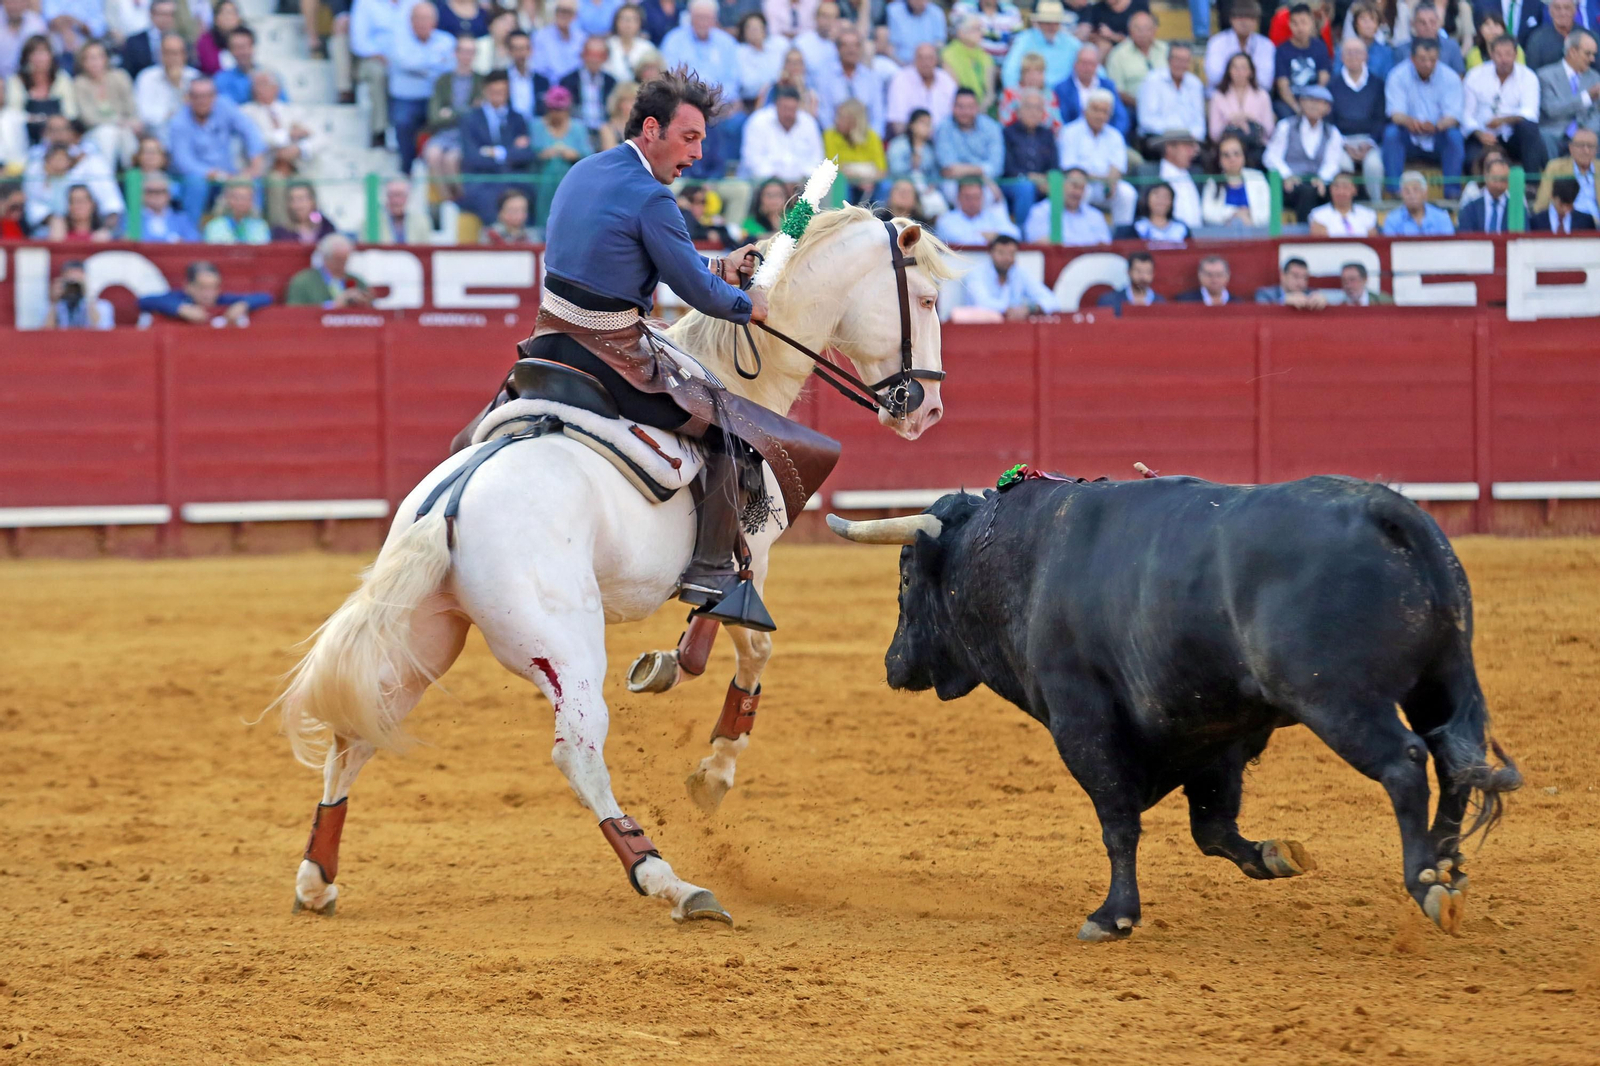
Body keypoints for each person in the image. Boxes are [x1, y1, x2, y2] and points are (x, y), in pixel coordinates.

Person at [465, 67, 826, 630]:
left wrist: (719, 267)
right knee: (732, 427)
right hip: (610, 357)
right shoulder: (653, 198)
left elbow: (638, 256)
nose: (699, 154)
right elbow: (700, 294)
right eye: (690, 138)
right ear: (653, 129)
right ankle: (711, 572)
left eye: (703, 140)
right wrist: (748, 304)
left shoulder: (585, 171)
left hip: (546, 344)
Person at [168, 76, 265, 226]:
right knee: (196, 183)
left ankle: (255, 231)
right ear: (189, 98)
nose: (202, 101)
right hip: (198, 177)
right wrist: (214, 174)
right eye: (197, 96)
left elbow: (250, 130)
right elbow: (183, 162)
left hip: (227, 174)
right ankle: (191, 234)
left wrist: (256, 160)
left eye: (207, 96)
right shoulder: (179, 122)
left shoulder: (224, 106)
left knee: (251, 181)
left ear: (214, 96)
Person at [1383, 37, 1466, 195]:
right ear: (1412, 59)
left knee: (1455, 137)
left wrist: (1436, 126)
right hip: (1409, 136)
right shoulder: (1397, 75)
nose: (1428, 64)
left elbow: (1454, 116)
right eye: (1422, 59)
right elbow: (1395, 113)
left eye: (1432, 60)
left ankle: (1452, 193)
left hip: (1438, 136)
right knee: (1391, 134)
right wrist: (1411, 122)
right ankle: (1394, 192)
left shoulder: (1450, 77)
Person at [459, 68, 535, 223]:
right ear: (486, 91)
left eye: (502, 91)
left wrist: (497, 152)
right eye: (494, 91)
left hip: (513, 177)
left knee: (531, 191)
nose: (498, 95)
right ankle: (497, 239)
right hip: (483, 178)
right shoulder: (471, 119)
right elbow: (472, 157)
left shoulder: (517, 118)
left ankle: (526, 239)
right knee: (487, 196)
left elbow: (526, 154)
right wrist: (510, 152)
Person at [1464, 31, 1545, 173]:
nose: (1504, 59)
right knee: (1470, 159)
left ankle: (1532, 185)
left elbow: (1530, 112)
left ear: (1516, 54)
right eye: (1499, 54)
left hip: (1512, 136)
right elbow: (1466, 114)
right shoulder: (1475, 76)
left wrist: (1503, 120)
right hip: (1482, 135)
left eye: (1508, 54)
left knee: (1529, 129)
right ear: (1491, 54)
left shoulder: (1528, 76)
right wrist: (1479, 134)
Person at [1262, 83, 1344, 218]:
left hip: (1318, 183)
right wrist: (1287, 175)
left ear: (1327, 108)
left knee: (1337, 190)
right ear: (1301, 103)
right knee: (1306, 192)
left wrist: (1322, 179)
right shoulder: (1286, 126)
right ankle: (1305, 235)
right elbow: (1270, 156)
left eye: (1318, 102)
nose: (1313, 105)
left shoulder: (1332, 133)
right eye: (1309, 100)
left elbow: (1333, 162)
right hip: (1289, 184)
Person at [388, 2, 453, 173]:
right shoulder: (398, 39)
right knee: (402, 122)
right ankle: (407, 168)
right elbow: (406, 62)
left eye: (427, 18)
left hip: (437, 97)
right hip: (407, 98)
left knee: (453, 119)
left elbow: (450, 68)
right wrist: (434, 64)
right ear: (410, 21)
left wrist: (418, 66)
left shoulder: (446, 40)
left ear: (435, 21)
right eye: (418, 18)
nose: (422, 22)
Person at [1058, 89, 1137, 224]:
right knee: (1082, 190)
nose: (1099, 115)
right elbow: (1070, 169)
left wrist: (1111, 182)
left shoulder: (1115, 135)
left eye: (1104, 111)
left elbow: (1117, 166)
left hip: (1106, 186)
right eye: (1095, 110)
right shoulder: (1069, 132)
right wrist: (1104, 179)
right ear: (1085, 110)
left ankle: (1120, 235)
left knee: (1127, 193)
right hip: (1080, 184)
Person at [350, 0, 417, 148]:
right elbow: (358, 42)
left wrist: (406, 58)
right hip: (373, 59)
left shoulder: (415, 2)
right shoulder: (365, 3)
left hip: (408, 59)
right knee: (378, 73)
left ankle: (413, 134)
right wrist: (379, 55)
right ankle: (379, 131)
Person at [423, 33, 483, 199]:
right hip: (443, 133)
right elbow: (434, 116)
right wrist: (465, 111)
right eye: (463, 51)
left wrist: (451, 112)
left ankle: (462, 200)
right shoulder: (443, 81)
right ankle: (446, 201)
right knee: (433, 155)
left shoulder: (480, 80)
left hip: (466, 136)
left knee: (451, 160)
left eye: (471, 52)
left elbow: (477, 117)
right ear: (456, 53)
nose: (467, 56)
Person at [1331, 35, 1387, 199]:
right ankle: (1346, 207)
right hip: (1341, 142)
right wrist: (1343, 143)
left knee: (1374, 166)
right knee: (1343, 165)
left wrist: (1369, 143)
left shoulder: (1378, 84)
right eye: (1348, 53)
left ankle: (1376, 206)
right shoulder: (1333, 85)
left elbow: (1381, 119)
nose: (1353, 57)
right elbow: (1329, 121)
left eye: (1357, 52)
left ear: (1365, 56)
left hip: (1369, 141)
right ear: (1341, 57)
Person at [138, 260, 273, 324]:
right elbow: (143, 301)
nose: (208, 294)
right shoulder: (180, 298)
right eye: (202, 287)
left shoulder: (222, 299)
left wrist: (243, 304)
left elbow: (266, 297)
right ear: (188, 286)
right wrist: (180, 309)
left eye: (213, 288)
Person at [73, 40, 139, 168]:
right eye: (91, 58)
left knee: (127, 135)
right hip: (94, 133)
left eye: (99, 56)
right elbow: (88, 118)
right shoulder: (79, 83)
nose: (95, 62)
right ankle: (107, 180)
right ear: (83, 62)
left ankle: (133, 179)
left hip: (123, 128)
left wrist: (129, 122)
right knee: (107, 133)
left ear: (106, 59)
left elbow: (131, 108)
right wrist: (116, 121)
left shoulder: (120, 77)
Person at [1536, 27, 1599, 161]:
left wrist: (1586, 131)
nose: (1592, 59)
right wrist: (1587, 97)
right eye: (1588, 54)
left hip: (1588, 131)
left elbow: (1597, 113)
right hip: (1556, 131)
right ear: (1572, 52)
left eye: (1594, 54)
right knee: (1544, 136)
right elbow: (1552, 109)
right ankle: (1552, 180)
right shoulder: (1546, 75)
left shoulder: (1595, 78)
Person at [960, 234, 1058, 318]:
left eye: (1011, 253)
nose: (1007, 258)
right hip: (979, 330)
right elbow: (982, 304)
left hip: (1012, 330)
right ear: (990, 253)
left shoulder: (1019, 273)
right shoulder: (976, 274)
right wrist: (1014, 309)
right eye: (1001, 253)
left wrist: (1029, 308)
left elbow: (1053, 301)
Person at [933, 87, 1004, 202]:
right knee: (951, 190)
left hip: (986, 182)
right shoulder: (944, 128)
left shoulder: (991, 127)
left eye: (970, 107)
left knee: (993, 197)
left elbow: (996, 166)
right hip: (954, 182)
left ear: (977, 107)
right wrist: (981, 170)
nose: (965, 112)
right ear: (953, 107)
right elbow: (948, 168)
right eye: (960, 107)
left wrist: (965, 170)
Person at [740, 82, 824, 179]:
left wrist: (800, 178)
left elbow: (817, 159)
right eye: (785, 108)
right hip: (763, 182)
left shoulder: (809, 123)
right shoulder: (758, 121)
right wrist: (778, 182)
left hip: (801, 184)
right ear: (776, 105)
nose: (788, 114)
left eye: (792, 109)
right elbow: (752, 161)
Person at [661, 0, 741, 96]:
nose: (703, 22)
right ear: (690, 17)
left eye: (707, 18)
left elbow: (734, 79)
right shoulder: (673, 40)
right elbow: (669, 74)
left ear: (715, 19)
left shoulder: (727, 42)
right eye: (698, 17)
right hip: (684, 99)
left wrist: (718, 98)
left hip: (722, 102)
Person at [9, 34, 76, 147]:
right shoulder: (16, 80)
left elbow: (71, 112)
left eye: (43, 52)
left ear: (51, 55)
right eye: (34, 53)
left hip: (58, 133)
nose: (39, 58)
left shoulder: (62, 79)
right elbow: (13, 113)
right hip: (27, 135)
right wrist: (38, 119)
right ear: (26, 57)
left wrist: (54, 123)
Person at [1003, 89, 1059, 223]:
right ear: (1019, 111)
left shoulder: (1047, 134)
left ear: (1043, 113)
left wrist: (1048, 180)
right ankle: (1023, 235)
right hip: (1013, 183)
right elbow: (1007, 167)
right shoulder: (1007, 133)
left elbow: (1054, 165)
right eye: (1028, 107)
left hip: (1042, 183)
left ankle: (1060, 237)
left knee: (1060, 185)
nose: (1033, 112)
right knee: (1026, 187)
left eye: (1038, 108)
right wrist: (1031, 178)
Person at [1136, 40, 1205, 148]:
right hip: (1158, 137)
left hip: (1188, 140)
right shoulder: (1152, 80)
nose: (1181, 64)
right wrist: (1177, 135)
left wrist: (1192, 138)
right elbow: (1146, 120)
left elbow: (1199, 122)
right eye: (1177, 59)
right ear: (1168, 60)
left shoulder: (1195, 84)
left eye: (1185, 60)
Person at [816, 27, 884, 134]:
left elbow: (878, 116)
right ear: (838, 49)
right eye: (845, 45)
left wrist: (872, 139)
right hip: (836, 139)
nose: (851, 50)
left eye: (855, 45)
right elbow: (825, 115)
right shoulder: (825, 77)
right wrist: (835, 138)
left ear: (860, 49)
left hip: (866, 138)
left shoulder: (872, 78)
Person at [1000, 0, 1080, 90]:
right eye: (1048, 23)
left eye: (1056, 23)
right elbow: (1010, 72)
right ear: (1039, 23)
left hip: (1064, 97)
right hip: (1032, 95)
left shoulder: (1071, 43)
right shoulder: (1024, 40)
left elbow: (1093, 68)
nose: (1052, 27)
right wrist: (1016, 95)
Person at [1208, 51, 1274, 158]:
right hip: (1227, 149)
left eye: (1243, 68)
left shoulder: (1262, 95)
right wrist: (1232, 121)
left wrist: (1249, 119)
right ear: (1229, 71)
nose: (1239, 72)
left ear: (1251, 72)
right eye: (1235, 68)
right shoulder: (1218, 96)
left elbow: (1269, 130)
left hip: (1256, 147)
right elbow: (1214, 133)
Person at [133, 32, 196, 143]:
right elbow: (144, 114)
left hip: (190, 134)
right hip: (156, 135)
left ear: (184, 55)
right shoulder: (146, 77)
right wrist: (169, 115)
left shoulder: (195, 78)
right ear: (160, 55)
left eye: (176, 53)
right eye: (167, 53)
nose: (172, 58)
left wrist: (177, 86)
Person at [1056, 42, 1130, 134]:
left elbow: (1121, 117)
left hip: (1106, 137)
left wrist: (1111, 136)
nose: (1087, 68)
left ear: (1097, 66)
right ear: (1075, 64)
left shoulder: (1108, 86)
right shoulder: (1062, 89)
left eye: (1091, 64)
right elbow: (1062, 118)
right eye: (1083, 63)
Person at [1023, 164, 1112, 242]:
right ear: (1061, 184)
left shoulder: (1095, 216)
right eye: (1074, 186)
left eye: (1082, 188)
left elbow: (1104, 245)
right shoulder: (1040, 211)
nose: (1077, 193)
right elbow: (1036, 241)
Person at [1273, 3, 1331, 119]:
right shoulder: (1282, 50)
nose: (1299, 28)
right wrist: (1298, 108)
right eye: (1295, 23)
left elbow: (1323, 79)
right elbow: (1283, 86)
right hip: (1291, 102)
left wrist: (1313, 105)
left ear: (1311, 23)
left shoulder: (1320, 47)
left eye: (1304, 22)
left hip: (1316, 99)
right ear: (1289, 24)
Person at [1201, 131, 1272, 228]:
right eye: (1226, 155)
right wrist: (1234, 213)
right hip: (1223, 238)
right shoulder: (1213, 181)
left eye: (1236, 154)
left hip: (1256, 235)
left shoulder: (1257, 177)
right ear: (1219, 160)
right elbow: (1207, 214)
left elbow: (1269, 212)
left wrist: (1249, 216)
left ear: (1243, 156)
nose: (1232, 159)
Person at [886, 41, 958, 134]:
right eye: (921, 58)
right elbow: (897, 121)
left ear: (936, 60)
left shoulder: (946, 79)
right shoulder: (901, 79)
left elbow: (956, 114)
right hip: (912, 138)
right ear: (914, 60)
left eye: (929, 58)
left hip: (944, 138)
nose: (926, 63)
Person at [286, 233, 374, 307]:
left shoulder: (357, 282)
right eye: (338, 260)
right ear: (325, 258)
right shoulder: (303, 282)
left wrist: (365, 300)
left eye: (345, 260)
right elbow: (294, 314)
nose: (342, 265)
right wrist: (333, 305)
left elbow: (372, 312)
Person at [1204, 0, 1274, 92]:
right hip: (1222, 94)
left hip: (1255, 97)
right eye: (1240, 17)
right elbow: (1214, 77)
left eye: (1249, 17)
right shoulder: (1217, 42)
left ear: (1257, 21)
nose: (1244, 22)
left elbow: (1266, 81)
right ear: (1231, 19)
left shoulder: (1266, 45)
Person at [826, 97, 887, 200]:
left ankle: (881, 214)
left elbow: (881, 170)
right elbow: (833, 167)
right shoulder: (830, 135)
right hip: (846, 181)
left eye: (841, 117)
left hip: (870, 182)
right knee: (839, 183)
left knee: (885, 186)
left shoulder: (872, 137)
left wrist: (867, 180)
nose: (836, 121)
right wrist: (858, 179)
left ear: (854, 120)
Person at [1105, 10, 1166, 112]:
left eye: (1147, 29)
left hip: (1165, 106)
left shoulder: (1165, 50)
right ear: (1130, 30)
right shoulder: (1118, 54)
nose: (1142, 33)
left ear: (1155, 30)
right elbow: (1116, 89)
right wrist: (1141, 104)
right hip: (1133, 107)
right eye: (1137, 29)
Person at [532, 84, 594, 184]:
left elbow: (589, 155)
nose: (557, 113)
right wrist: (542, 155)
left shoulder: (578, 127)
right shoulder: (536, 126)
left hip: (573, 181)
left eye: (561, 109)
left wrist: (575, 155)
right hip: (542, 180)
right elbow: (530, 152)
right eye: (553, 109)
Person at [935, 174, 1019, 242]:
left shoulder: (992, 216)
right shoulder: (946, 220)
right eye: (967, 197)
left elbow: (1015, 234)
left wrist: (996, 236)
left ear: (983, 197)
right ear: (958, 197)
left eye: (976, 197)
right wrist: (984, 236)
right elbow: (959, 241)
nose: (972, 202)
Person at [562, 35, 618, 135]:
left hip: (604, 132)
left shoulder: (612, 82)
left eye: (599, 55)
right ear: (583, 55)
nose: (594, 59)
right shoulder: (567, 81)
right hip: (577, 132)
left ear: (606, 57)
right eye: (590, 54)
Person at [122, 169, 200, 240]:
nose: (155, 196)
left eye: (161, 191)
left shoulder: (182, 219)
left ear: (169, 194)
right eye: (150, 191)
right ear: (141, 194)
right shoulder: (130, 219)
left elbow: (195, 241)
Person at [1535, 126, 1597, 215]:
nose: (1586, 151)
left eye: (1590, 146)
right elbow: (1542, 204)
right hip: (1569, 222)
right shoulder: (1555, 167)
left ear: (1596, 150)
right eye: (1581, 146)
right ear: (1571, 148)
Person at [44, 258, 113, 330]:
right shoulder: (55, 306)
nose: (74, 287)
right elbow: (46, 332)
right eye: (70, 283)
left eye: (77, 282)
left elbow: (101, 330)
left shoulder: (103, 306)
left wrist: (88, 297)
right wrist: (54, 302)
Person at [998, 51, 1064, 127]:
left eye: (1038, 72)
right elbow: (1004, 124)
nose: (1034, 77)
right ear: (1022, 74)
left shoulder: (1051, 96)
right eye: (1029, 72)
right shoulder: (1010, 94)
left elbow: (1057, 125)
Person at [1381, 167, 1457, 232]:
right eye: (1407, 191)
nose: (1411, 195)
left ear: (1424, 193)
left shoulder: (1441, 218)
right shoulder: (1392, 221)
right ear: (1401, 194)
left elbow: (1449, 247)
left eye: (1416, 190)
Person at [942, 15, 995, 107]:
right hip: (958, 106)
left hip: (982, 108)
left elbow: (990, 93)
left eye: (981, 29)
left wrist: (980, 108)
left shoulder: (985, 56)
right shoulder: (948, 54)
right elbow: (953, 89)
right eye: (976, 29)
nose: (981, 33)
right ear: (961, 33)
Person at [1308, 170, 1379, 233]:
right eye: (1336, 187)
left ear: (1355, 190)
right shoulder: (1318, 215)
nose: (1341, 192)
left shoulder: (1367, 214)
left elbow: (1373, 243)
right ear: (1330, 189)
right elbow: (1321, 244)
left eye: (1345, 187)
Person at [1455, 154, 1513, 230]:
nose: (1499, 185)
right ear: (1486, 176)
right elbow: (1464, 238)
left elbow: (1524, 239)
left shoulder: (1517, 210)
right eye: (1496, 179)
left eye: (1504, 180)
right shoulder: (1470, 209)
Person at [535, 0, 587, 85]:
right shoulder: (541, 37)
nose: (563, 15)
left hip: (576, 88)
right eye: (559, 10)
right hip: (550, 87)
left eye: (567, 11)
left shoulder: (582, 38)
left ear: (575, 15)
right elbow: (539, 69)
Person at [1095, 249, 1163, 313]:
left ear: (1153, 274)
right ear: (1128, 272)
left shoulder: (1161, 303)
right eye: (1138, 271)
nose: (1143, 277)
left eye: (1148, 272)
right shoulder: (1109, 302)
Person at [203, 179, 271, 243]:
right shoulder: (215, 226)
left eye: (245, 198)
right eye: (236, 197)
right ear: (226, 199)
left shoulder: (260, 226)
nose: (240, 202)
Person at [271, 180, 338, 243]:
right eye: (292, 200)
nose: (296, 205)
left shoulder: (326, 226)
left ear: (312, 201)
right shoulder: (281, 231)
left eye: (301, 199)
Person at [953, 0, 1022, 60]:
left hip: (1004, 65)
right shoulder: (964, 8)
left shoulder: (1012, 11)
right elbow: (957, 38)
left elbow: (1017, 44)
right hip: (972, 62)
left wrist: (1007, 68)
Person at [887, 0, 948, 65]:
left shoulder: (937, 12)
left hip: (929, 66)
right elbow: (889, 46)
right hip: (898, 64)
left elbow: (940, 44)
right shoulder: (892, 10)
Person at [1254, 255, 1329, 308]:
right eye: (1295, 276)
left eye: (1305, 278)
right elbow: (1263, 312)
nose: (1301, 282)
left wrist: (1323, 301)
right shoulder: (1265, 294)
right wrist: (1283, 301)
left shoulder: (1311, 294)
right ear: (1282, 276)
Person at [1524, 0, 1579, 72]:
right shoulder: (1537, 39)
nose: (1562, 13)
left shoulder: (1586, 37)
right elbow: (1532, 72)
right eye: (1557, 8)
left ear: (1575, 11)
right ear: (1550, 11)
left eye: (1567, 8)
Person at [2, 0, 48, 85]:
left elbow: (45, 56)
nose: (14, 6)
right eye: (10, 2)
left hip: (29, 82)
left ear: (26, 3)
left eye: (18, 2)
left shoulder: (36, 23)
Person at [1531, 173, 1599, 228]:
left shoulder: (1586, 221)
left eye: (1569, 206)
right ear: (1552, 196)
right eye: (1561, 204)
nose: (1565, 209)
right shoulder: (1536, 221)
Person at [607, 3, 653, 81]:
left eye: (633, 19)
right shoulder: (608, 45)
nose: (628, 24)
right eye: (624, 19)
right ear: (616, 22)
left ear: (640, 23)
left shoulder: (647, 48)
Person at [196, 0, 242, 76]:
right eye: (226, 13)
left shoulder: (245, 38)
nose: (229, 18)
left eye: (233, 13)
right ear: (216, 19)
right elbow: (210, 67)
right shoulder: (206, 41)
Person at [1327, 261, 1392, 304]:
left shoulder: (1384, 301)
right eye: (1344, 281)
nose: (1348, 286)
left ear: (1364, 279)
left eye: (1352, 280)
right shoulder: (1339, 305)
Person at [598, 78, 637, 149]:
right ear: (618, 103)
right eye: (628, 101)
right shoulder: (608, 128)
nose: (632, 104)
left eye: (635, 100)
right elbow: (610, 154)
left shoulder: (643, 127)